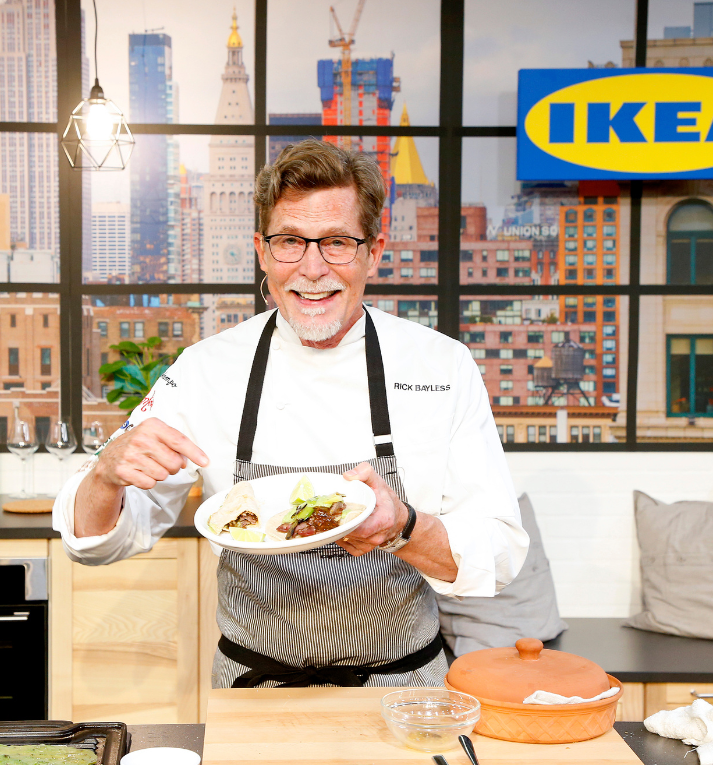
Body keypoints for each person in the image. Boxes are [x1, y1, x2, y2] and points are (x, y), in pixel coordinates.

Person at [53, 138, 528, 689]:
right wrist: (106, 473)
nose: (311, 268)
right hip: (254, 689)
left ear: (374, 251)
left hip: (403, 692)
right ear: (262, 250)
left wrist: (402, 527)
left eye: (337, 243)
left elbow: (499, 554)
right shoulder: (206, 368)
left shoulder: (443, 365)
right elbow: (94, 542)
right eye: (290, 242)